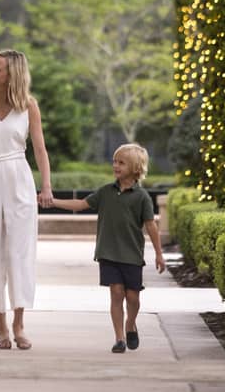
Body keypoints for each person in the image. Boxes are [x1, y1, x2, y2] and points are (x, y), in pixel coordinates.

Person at [43, 142, 166, 353]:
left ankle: (130, 324)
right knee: (116, 293)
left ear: (136, 168)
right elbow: (81, 204)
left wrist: (158, 254)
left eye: (121, 163)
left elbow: (151, 225)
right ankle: (119, 338)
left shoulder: (142, 197)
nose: (115, 166)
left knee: (133, 298)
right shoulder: (105, 192)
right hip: (108, 252)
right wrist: (53, 202)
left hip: (132, 254)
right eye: (114, 162)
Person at [0, 49, 54, 350]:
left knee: (19, 252)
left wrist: (46, 187)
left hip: (19, 179)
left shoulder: (29, 106)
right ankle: (1, 328)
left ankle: (19, 324)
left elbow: (41, 151)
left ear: (12, 74)